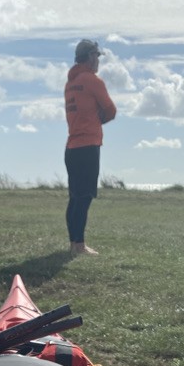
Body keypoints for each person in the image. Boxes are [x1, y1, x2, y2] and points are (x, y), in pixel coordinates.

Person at [64, 39, 116, 257]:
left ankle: (73, 242)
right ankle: (79, 245)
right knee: (84, 197)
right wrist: (97, 122)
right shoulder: (93, 81)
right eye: (97, 56)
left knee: (75, 197)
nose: (98, 61)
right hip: (88, 146)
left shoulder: (71, 82)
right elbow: (111, 110)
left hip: (72, 147)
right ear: (90, 56)